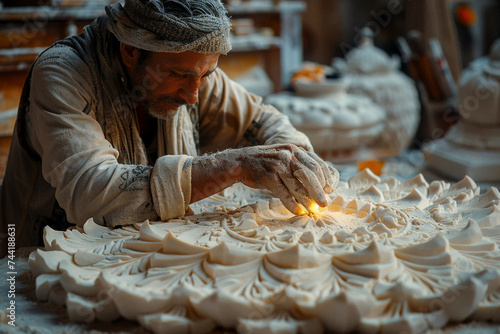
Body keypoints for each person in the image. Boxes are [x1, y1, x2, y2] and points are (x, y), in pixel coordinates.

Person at [0, 0, 338, 254]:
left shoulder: (191, 69)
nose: (193, 95)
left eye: (205, 76)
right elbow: (91, 194)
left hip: (133, 255)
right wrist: (232, 165)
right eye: (180, 76)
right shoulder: (62, 74)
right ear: (130, 50)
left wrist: (296, 160)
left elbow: (261, 120)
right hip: (34, 257)